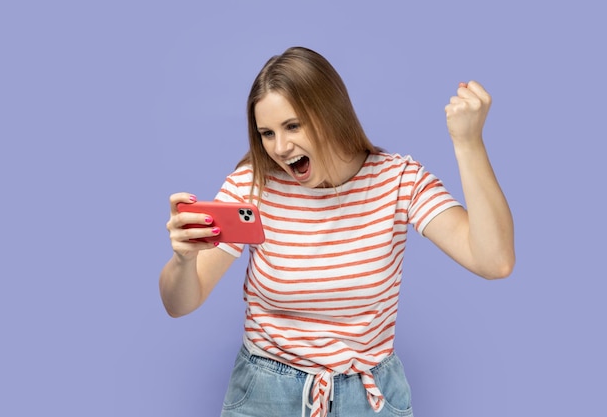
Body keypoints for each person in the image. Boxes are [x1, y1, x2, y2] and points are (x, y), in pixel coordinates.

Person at [159, 46, 515, 417]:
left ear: (331, 113)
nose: (280, 148)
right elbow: (179, 304)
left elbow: (494, 260)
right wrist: (183, 259)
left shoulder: (398, 181)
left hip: (369, 397)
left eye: (293, 126)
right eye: (266, 133)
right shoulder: (254, 185)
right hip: (265, 394)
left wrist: (468, 143)